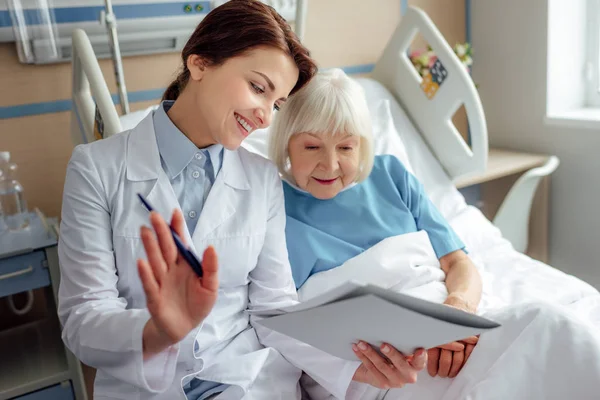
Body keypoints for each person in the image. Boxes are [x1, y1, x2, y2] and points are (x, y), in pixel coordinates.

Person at [57, 1, 335, 399]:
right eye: (258, 88)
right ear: (200, 64)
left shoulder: (261, 178)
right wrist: (159, 331)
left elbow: (274, 307)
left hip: (249, 381)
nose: (266, 118)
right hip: (147, 386)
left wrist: (356, 363)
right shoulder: (96, 169)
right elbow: (82, 319)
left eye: (277, 104)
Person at [268, 68, 600, 399]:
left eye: (345, 147)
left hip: (454, 332)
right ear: (287, 144)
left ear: (362, 145)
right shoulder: (270, 207)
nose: (330, 164)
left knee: (548, 324)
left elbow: (458, 263)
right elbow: (281, 320)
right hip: (384, 368)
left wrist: (455, 315)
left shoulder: (391, 177)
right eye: (312, 147)